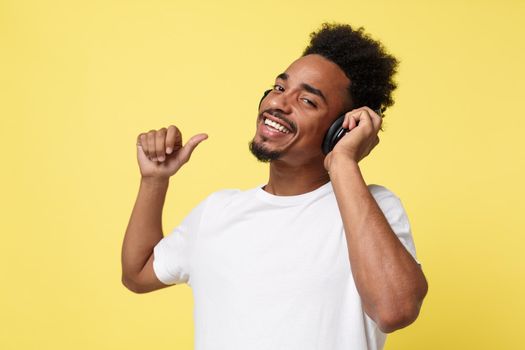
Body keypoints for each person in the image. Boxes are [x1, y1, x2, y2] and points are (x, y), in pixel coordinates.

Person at [121, 22, 428, 350]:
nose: (279, 104)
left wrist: (343, 162)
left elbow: (395, 310)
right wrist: (154, 180)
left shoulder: (373, 210)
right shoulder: (217, 211)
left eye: (308, 101)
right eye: (279, 88)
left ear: (342, 127)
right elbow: (137, 274)